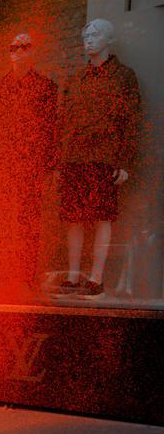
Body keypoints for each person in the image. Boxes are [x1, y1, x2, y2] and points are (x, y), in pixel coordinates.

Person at [57, 19, 141, 298]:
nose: (89, 40)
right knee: (73, 219)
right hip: (74, 157)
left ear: (109, 39)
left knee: (102, 217)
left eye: (96, 35)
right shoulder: (76, 78)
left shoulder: (123, 76)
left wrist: (125, 162)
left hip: (104, 156)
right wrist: (61, 158)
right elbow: (64, 120)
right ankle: (72, 277)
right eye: (86, 36)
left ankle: (96, 278)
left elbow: (131, 121)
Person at [0, 32, 58, 300]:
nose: (19, 51)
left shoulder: (46, 88)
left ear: (33, 52)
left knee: (28, 223)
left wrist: (48, 167)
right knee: (1, 222)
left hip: (30, 168)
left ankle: (25, 277)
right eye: (14, 47)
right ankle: (0, 275)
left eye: (24, 47)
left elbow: (51, 130)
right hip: (2, 166)